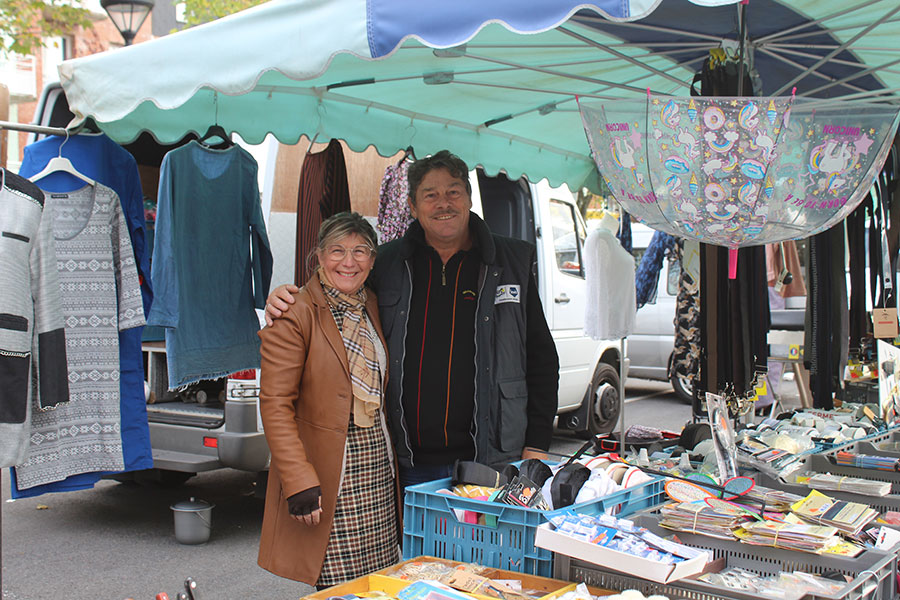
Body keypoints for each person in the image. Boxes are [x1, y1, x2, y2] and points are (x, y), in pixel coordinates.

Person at [266, 150, 559, 489]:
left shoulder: (512, 262)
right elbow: (337, 299)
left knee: (484, 528)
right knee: (416, 528)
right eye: (430, 195)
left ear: (469, 197)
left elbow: (542, 359)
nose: (443, 203)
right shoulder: (388, 263)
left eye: (453, 192)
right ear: (413, 205)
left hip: (492, 459)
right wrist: (291, 299)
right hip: (408, 462)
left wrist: (537, 444)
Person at [257, 212, 398, 587]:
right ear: (318, 255)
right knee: (339, 588)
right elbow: (275, 405)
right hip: (329, 472)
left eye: (360, 251)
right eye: (337, 250)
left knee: (379, 584)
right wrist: (298, 479)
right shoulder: (295, 311)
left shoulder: (370, 304)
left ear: (372, 259)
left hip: (375, 467)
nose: (348, 262)